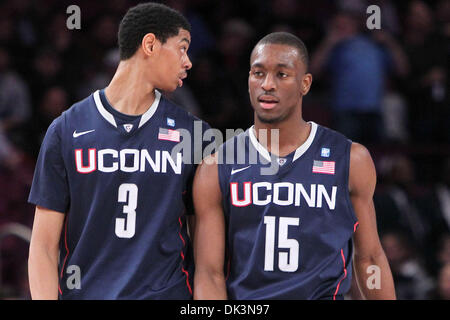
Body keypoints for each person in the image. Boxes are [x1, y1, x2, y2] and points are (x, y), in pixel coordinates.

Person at [192, 32, 396, 299]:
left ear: (305, 83)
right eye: (258, 73)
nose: (267, 84)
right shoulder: (217, 164)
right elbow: (209, 273)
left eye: (281, 74)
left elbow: (369, 258)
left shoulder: (350, 158)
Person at [28, 3, 206, 299]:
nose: (188, 62)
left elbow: (207, 256)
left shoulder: (194, 134)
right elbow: (43, 247)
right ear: (150, 44)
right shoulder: (66, 130)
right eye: (182, 48)